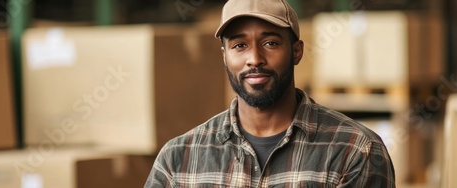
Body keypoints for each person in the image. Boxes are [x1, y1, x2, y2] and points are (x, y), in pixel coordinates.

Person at [145, 0, 396, 187]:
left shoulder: (354, 151)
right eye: (239, 45)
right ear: (224, 55)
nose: (254, 59)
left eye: (270, 43)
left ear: (296, 51)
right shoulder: (179, 159)